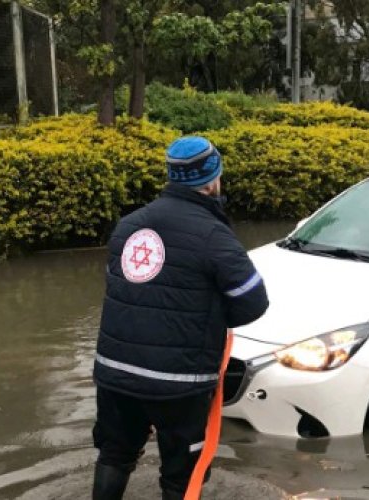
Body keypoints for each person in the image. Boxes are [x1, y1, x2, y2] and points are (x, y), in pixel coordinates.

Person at [91, 137, 269, 500]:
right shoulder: (215, 236)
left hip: (115, 374)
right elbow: (253, 303)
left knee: (114, 453)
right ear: (213, 180)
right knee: (181, 476)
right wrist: (214, 313)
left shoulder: (128, 226)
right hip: (179, 383)